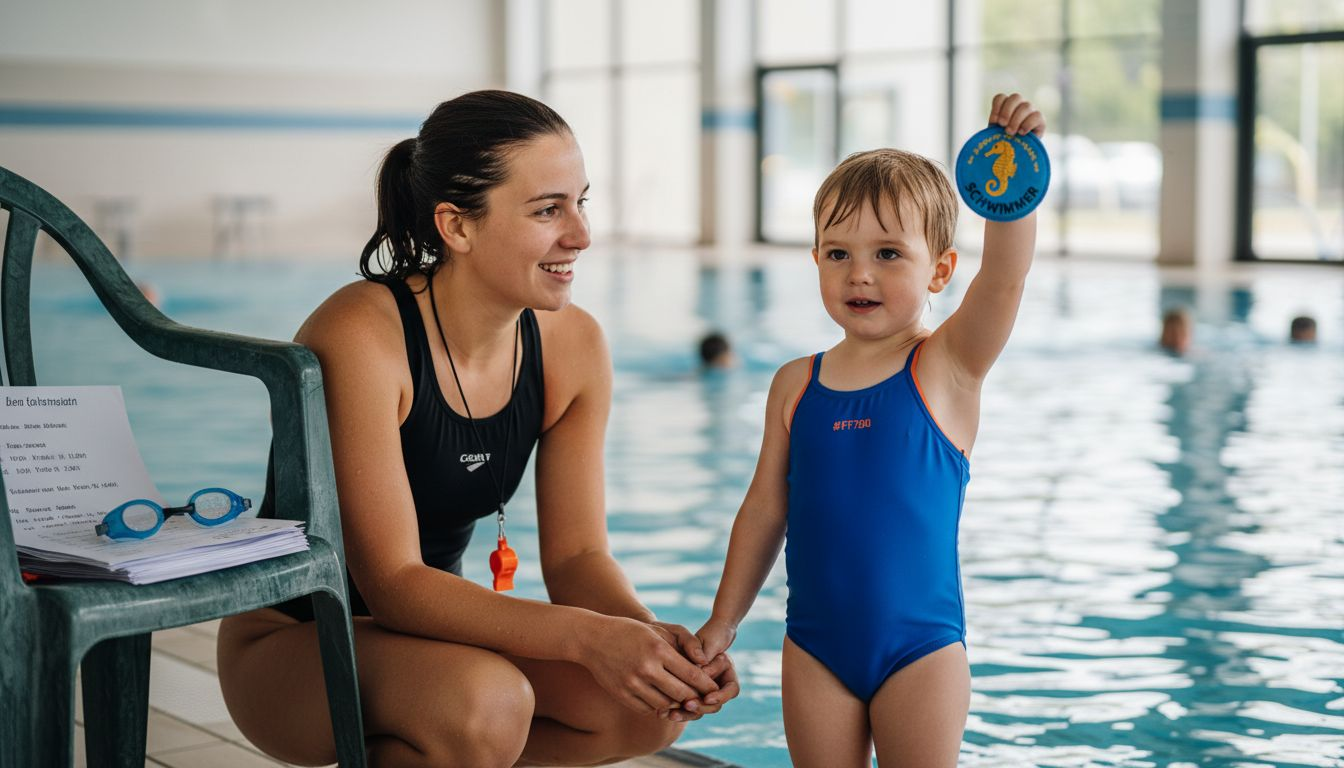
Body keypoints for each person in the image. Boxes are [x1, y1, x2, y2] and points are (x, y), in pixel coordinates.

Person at [216, 91, 737, 768]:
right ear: (457, 227)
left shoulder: (573, 346)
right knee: (487, 702)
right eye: (548, 209)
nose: (580, 234)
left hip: (432, 647)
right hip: (295, 643)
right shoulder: (362, 336)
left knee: (644, 708)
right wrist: (585, 639)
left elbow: (578, 559)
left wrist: (650, 647)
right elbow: (396, 584)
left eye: (581, 202)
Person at [693, 94, 1046, 767]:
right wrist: (724, 620)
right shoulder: (795, 384)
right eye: (837, 252)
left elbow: (1004, 278)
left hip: (921, 651)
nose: (859, 272)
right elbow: (766, 509)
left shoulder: (945, 366)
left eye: (888, 253)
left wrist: (1015, 177)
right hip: (814, 647)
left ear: (940, 269)